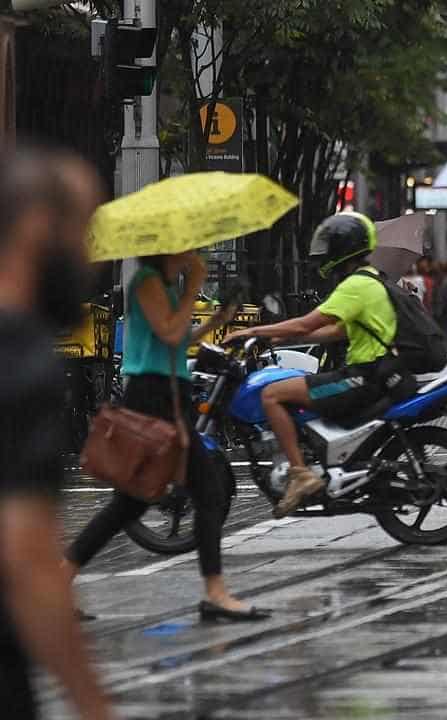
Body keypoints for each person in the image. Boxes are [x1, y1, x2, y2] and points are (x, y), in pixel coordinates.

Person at [67, 250, 268, 624]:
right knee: (206, 490)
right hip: (152, 398)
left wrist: (220, 317)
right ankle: (216, 593)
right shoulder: (146, 283)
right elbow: (170, 332)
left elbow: (178, 339)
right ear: (166, 251)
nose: (192, 253)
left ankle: (60, 579)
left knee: (130, 505)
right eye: (186, 247)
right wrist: (194, 288)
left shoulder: (162, 286)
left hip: (169, 395)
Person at [0, 146, 115, 720]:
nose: (88, 255)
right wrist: (92, 705)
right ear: (40, 228)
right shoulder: (21, 360)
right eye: (83, 229)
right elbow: (26, 560)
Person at [225, 212, 411, 517]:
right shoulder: (371, 281)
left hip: (363, 377)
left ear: (341, 249)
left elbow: (304, 324)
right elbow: (337, 331)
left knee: (271, 394)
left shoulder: (355, 286)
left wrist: (253, 331)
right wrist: (279, 341)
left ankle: (300, 474)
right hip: (377, 372)